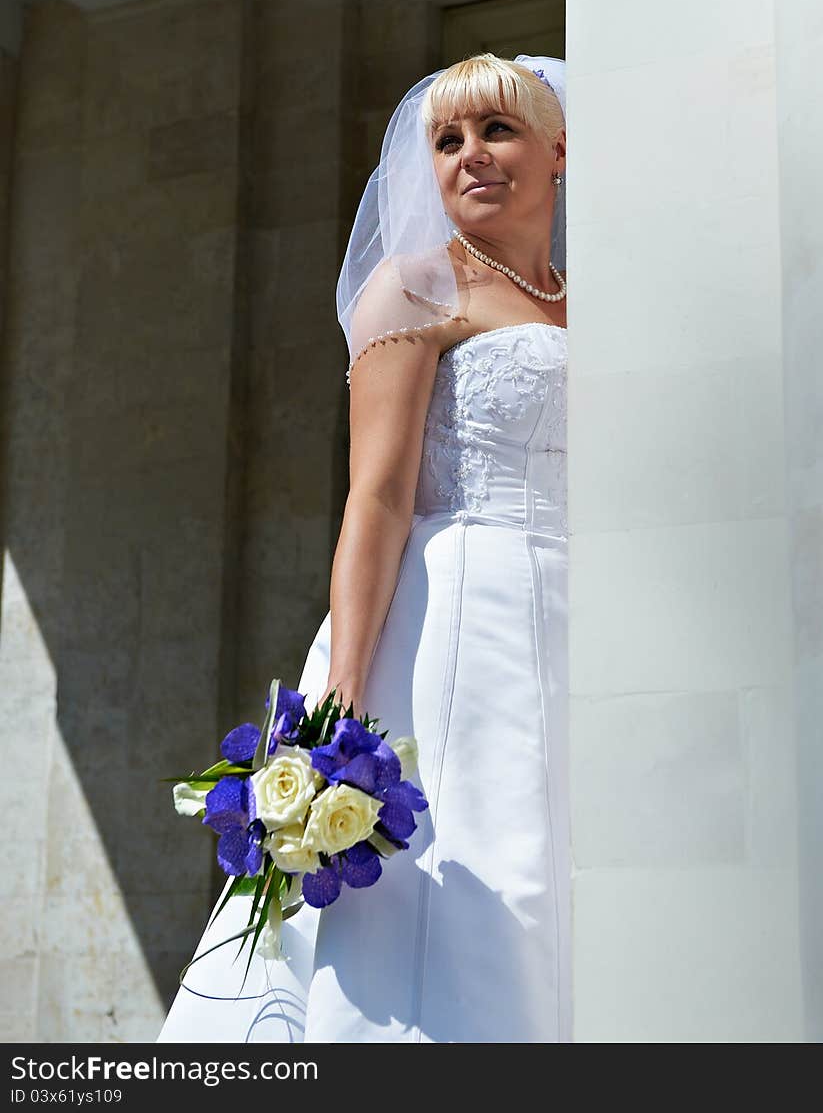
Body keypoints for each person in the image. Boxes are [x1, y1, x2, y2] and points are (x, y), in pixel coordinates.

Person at [157, 51, 570, 1044]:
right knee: (492, 888)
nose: (470, 156)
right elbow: (377, 500)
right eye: (446, 139)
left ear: (559, 153)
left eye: (497, 131)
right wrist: (342, 703)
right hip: (466, 618)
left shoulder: (593, 304)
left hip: (584, 615)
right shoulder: (417, 287)